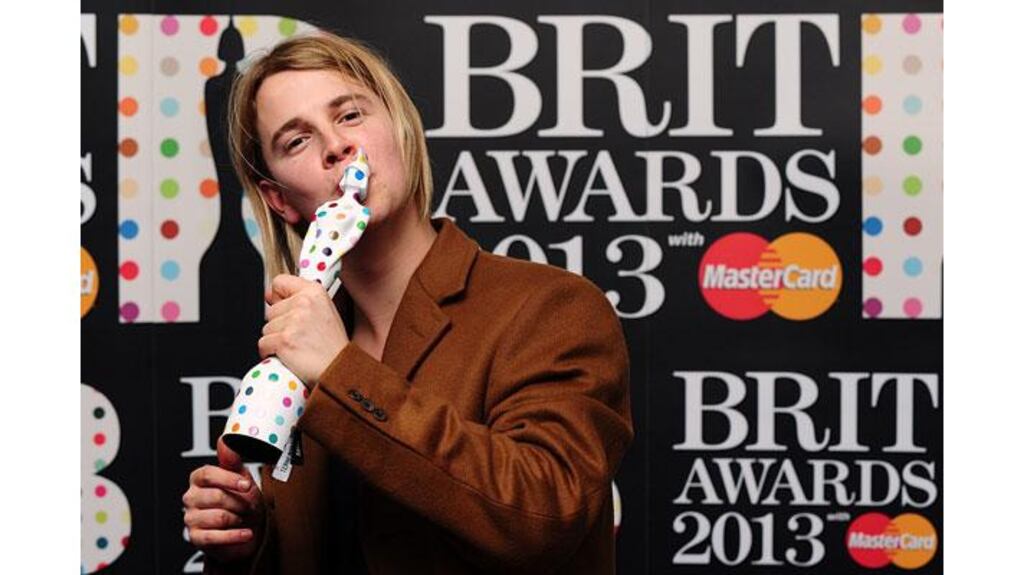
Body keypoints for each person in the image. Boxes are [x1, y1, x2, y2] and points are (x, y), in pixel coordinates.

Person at [182, 31, 633, 575]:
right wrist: (247, 544)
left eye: (349, 115)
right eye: (296, 141)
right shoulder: (290, 361)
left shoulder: (551, 307)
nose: (335, 146)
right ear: (279, 198)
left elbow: (544, 517)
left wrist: (341, 372)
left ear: (396, 127)